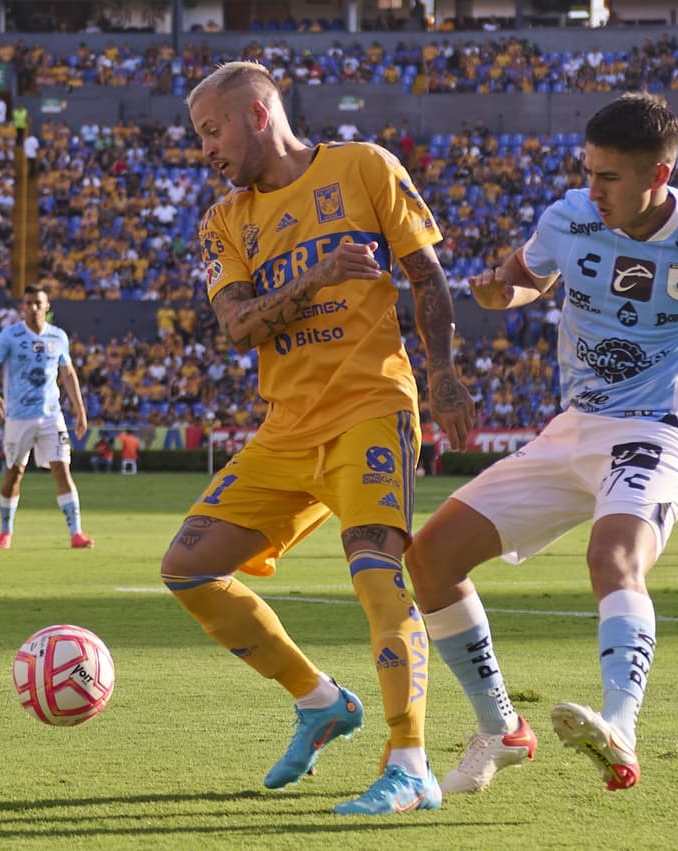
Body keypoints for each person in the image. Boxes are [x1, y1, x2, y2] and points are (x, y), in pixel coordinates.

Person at [403, 93, 678, 796]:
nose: (592, 189)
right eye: (589, 170)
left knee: (613, 555)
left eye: (609, 177)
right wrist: (496, 296)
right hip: (574, 428)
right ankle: (503, 728)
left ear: (657, 175)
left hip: (655, 427)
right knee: (431, 557)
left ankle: (621, 725)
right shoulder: (569, 218)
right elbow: (525, 279)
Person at [161, 61, 473, 816]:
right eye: (199, 135)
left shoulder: (364, 167)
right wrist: (318, 275)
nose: (207, 148)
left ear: (260, 114)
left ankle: (410, 763)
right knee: (188, 568)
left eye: (213, 130)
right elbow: (238, 325)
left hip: (371, 407)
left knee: (375, 573)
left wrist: (442, 373)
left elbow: (426, 274)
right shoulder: (224, 222)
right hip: (286, 428)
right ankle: (319, 699)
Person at [0, 286, 94, 550]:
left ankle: (76, 533)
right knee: (14, 474)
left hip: (51, 416)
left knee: (62, 470)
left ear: (47, 306)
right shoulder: (10, 336)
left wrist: (79, 409)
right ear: (22, 306)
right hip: (18, 417)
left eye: (37, 303)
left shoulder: (58, 336)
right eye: (28, 303)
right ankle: (5, 531)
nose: (32, 307)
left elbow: (68, 374)